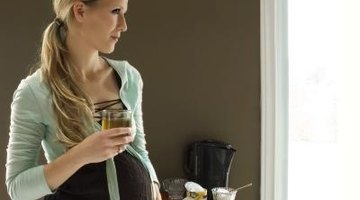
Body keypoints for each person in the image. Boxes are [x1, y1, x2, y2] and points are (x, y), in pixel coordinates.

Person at [5, 0, 162, 199]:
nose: (124, 25)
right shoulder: (35, 92)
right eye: (115, 11)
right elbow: (17, 189)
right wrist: (83, 153)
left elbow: (138, 150)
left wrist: (153, 182)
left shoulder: (128, 77)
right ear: (80, 11)